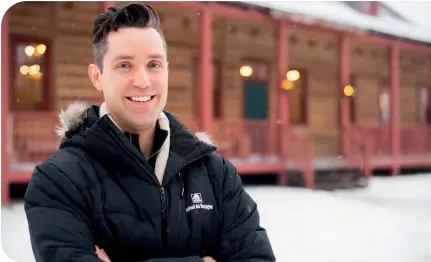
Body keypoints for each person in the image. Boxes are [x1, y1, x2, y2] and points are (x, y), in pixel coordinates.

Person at [24, 3, 275, 262]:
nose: (142, 81)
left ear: (166, 69)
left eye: (153, 64)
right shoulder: (59, 181)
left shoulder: (216, 175)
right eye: (124, 65)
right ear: (97, 76)